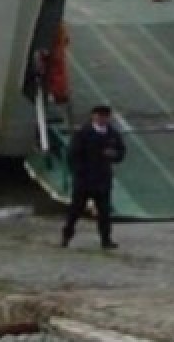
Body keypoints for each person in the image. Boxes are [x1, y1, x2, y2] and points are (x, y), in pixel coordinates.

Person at [61, 104, 125, 250]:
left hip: (103, 179)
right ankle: (66, 236)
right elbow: (72, 155)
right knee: (76, 210)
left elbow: (121, 152)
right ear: (93, 116)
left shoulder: (113, 134)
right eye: (99, 116)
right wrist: (79, 173)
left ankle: (106, 239)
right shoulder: (83, 134)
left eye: (105, 116)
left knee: (104, 212)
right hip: (84, 180)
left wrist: (115, 155)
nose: (102, 119)